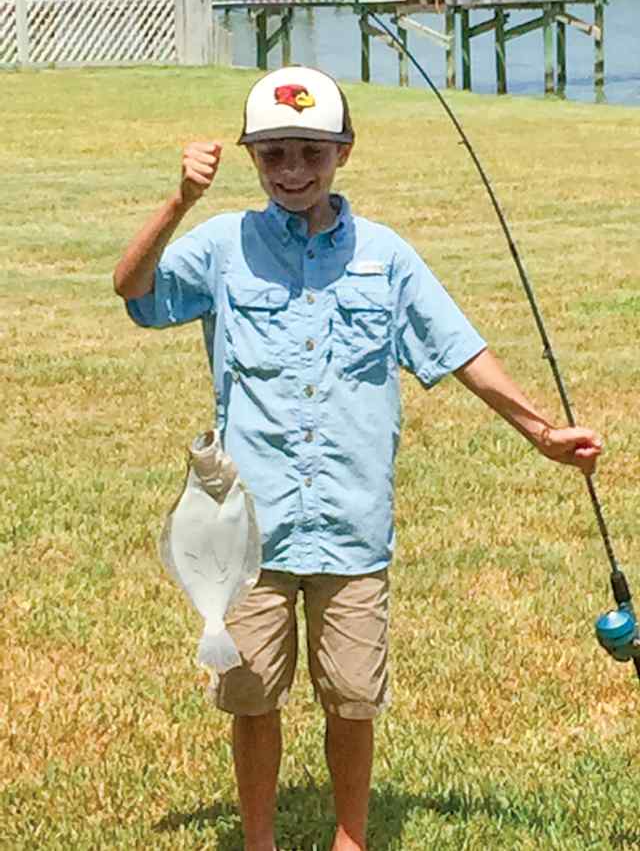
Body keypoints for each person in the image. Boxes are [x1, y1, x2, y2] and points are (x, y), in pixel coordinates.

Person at [113, 66, 602, 851]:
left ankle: (351, 839)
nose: (293, 172)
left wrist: (541, 432)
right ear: (251, 158)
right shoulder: (223, 246)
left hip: (350, 522)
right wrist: (179, 201)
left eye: (311, 151)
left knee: (351, 697)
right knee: (250, 695)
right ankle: (260, 841)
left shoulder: (387, 257)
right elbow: (134, 291)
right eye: (273, 155)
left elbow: (462, 351)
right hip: (249, 532)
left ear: (344, 150)